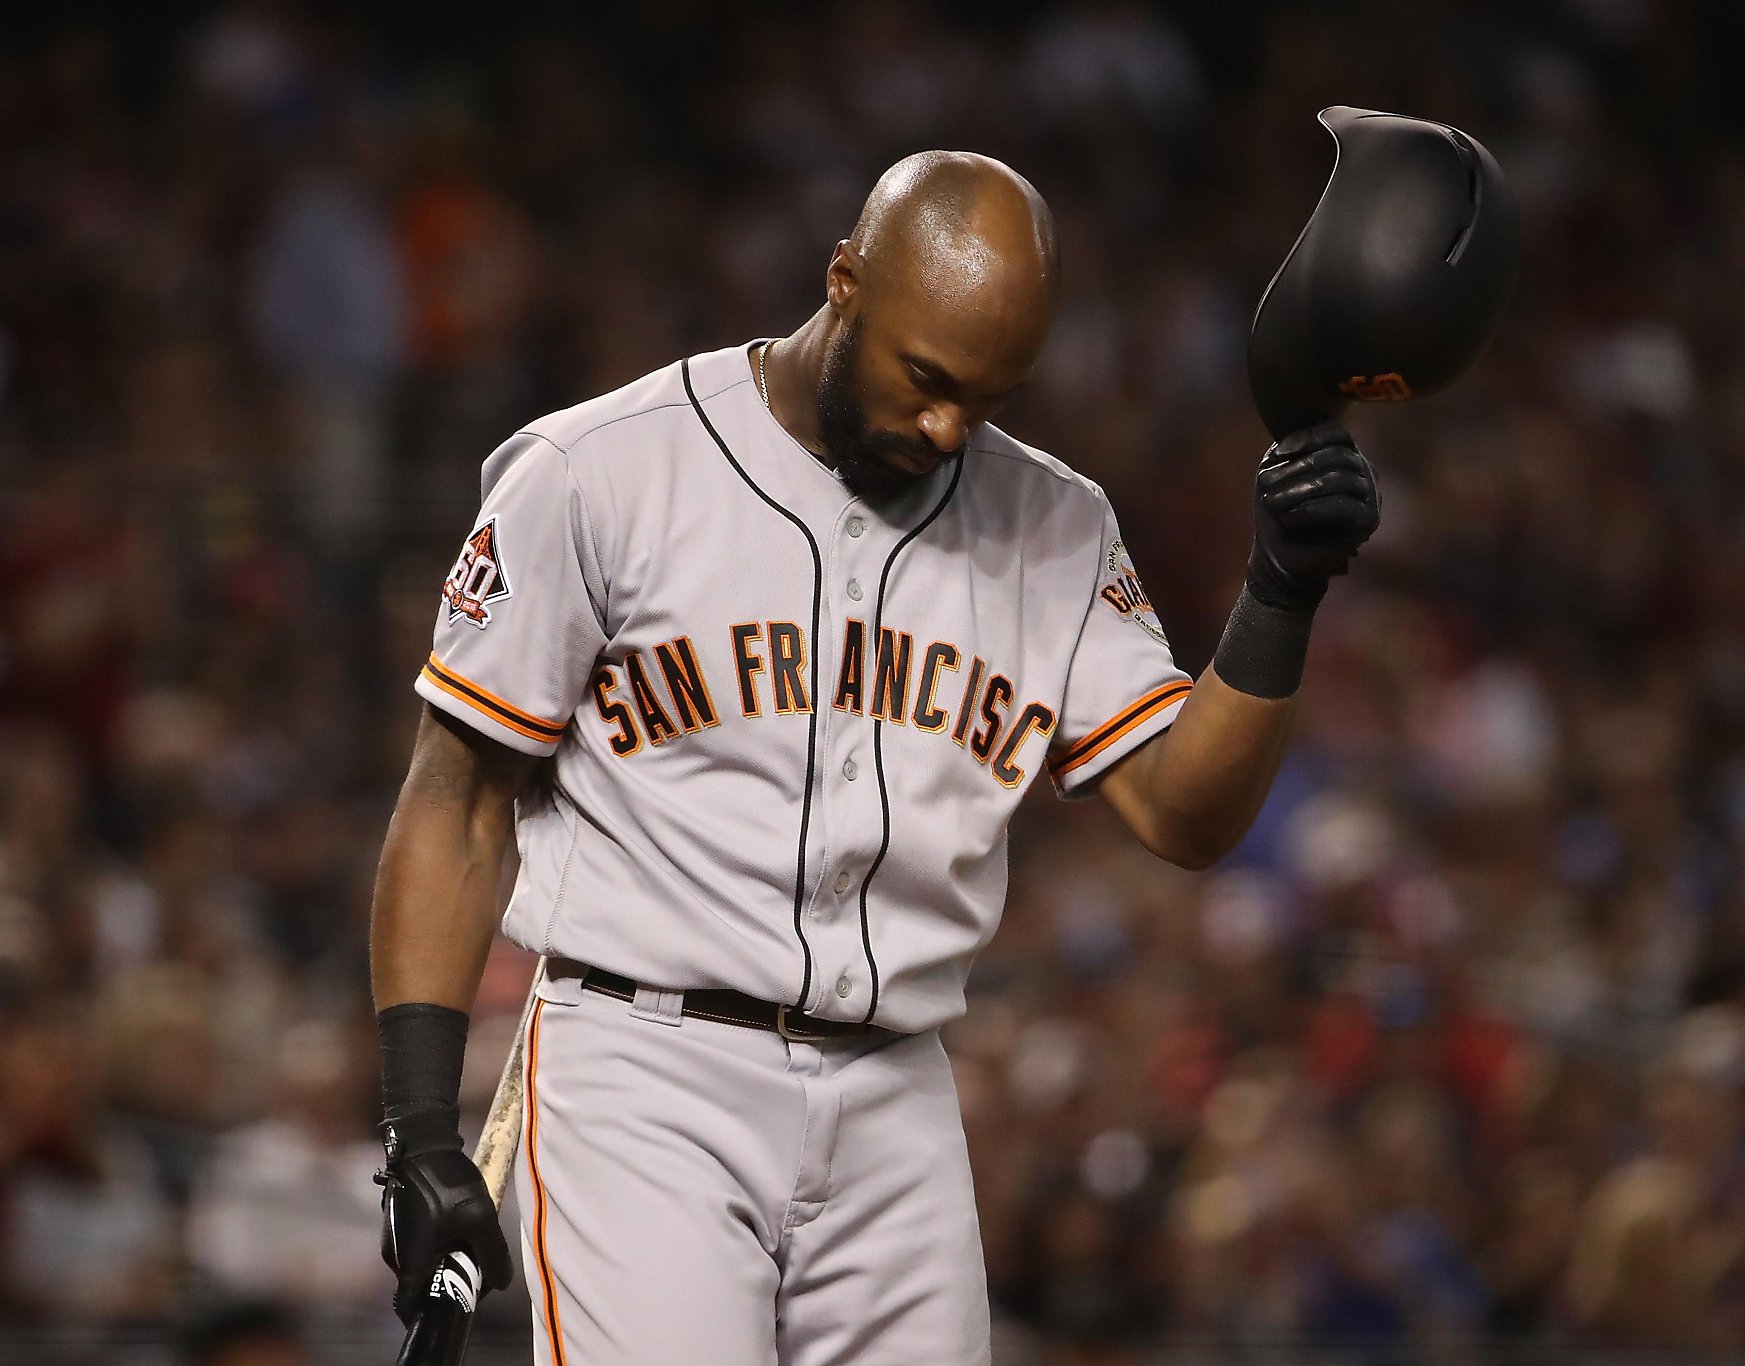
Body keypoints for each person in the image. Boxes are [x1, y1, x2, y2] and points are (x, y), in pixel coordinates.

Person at [367, 149, 1380, 1364]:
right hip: (644, 1069)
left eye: (989, 400)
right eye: (927, 379)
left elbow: (1185, 813)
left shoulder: (1054, 524)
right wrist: (420, 1124)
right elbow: (456, 800)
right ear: (843, 278)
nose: (948, 424)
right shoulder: (602, 470)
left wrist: (1278, 592)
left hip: (896, 1088)